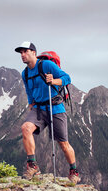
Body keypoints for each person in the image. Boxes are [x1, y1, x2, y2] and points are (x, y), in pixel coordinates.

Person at [14, 41, 80, 183]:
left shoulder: (47, 65)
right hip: (38, 108)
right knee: (26, 128)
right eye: (21, 53)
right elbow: (28, 89)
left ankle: (73, 171)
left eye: (25, 51)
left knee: (63, 143)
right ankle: (32, 165)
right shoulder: (25, 73)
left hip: (55, 107)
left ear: (33, 52)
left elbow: (67, 78)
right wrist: (31, 102)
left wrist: (54, 81)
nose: (22, 55)